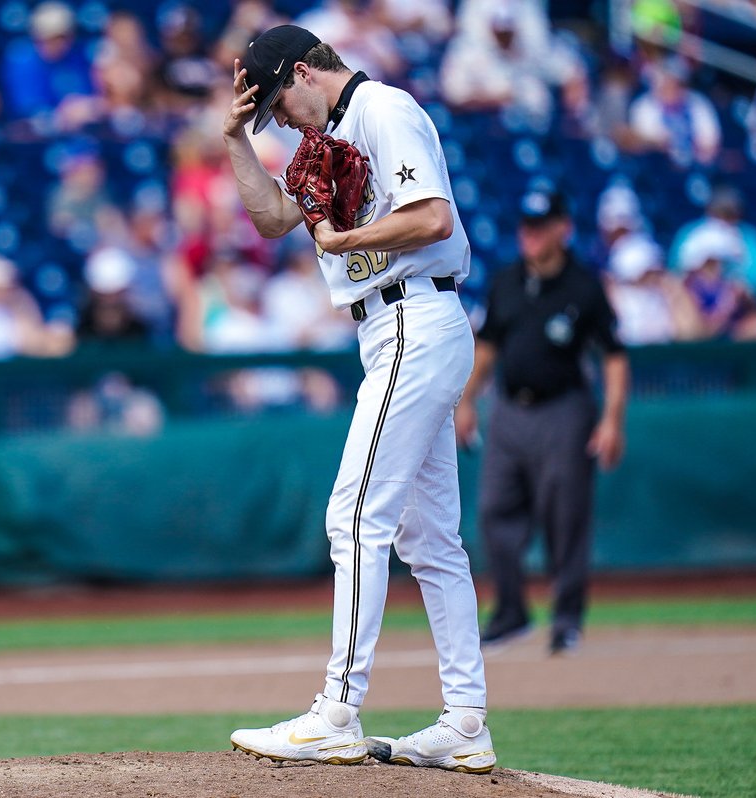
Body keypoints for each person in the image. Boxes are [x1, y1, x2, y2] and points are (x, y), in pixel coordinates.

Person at [220, 25, 494, 773]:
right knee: (430, 541)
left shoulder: (382, 109)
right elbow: (276, 219)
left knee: (354, 516)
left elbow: (435, 218)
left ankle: (338, 709)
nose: (286, 119)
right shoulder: (325, 138)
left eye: (283, 101)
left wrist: (345, 242)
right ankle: (466, 720)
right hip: (392, 328)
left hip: (414, 316)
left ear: (305, 71)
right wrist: (237, 143)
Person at [454, 187, 630, 656]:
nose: (529, 235)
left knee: (565, 516)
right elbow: (487, 345)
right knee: (494, 511)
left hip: (564, 410)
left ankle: (567, 619)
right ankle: (511, 612)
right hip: (510, 409)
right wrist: (467, 401)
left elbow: (613, 356)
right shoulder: (508, 280)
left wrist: (611, 420)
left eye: (540, 226)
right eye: (525, 227)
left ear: (562, 230)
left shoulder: (583, 285)